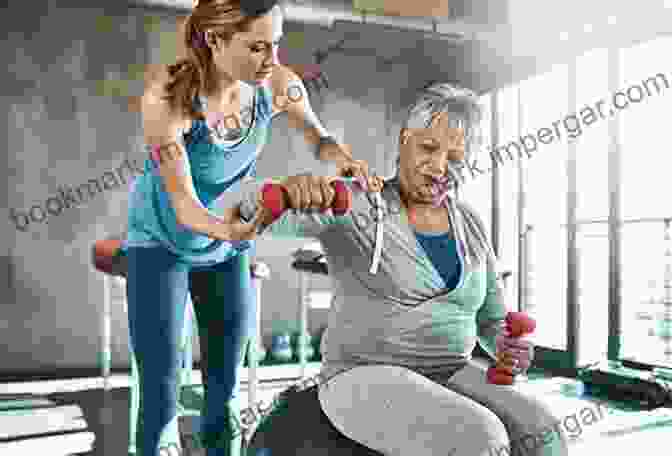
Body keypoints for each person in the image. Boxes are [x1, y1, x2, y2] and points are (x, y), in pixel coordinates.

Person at [220, 83, 569, 456]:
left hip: (450, 370)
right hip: (362, 373)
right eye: (429, 148)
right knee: (481, 440)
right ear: (405, 141)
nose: (439, 168)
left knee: (544, 431)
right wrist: (287, 191)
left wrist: (505, 346)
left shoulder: (470, 223)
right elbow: (236, 206)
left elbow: (491, 319)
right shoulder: (356, 204)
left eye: (455, 158)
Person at [124, 0, 382, 455]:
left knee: (224, 395)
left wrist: (344, 161)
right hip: (162, 243)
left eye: (277, 45)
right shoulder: (166, 98)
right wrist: (234, 232)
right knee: (161, 398)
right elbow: (184, 205)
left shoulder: (276, 85)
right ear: (214, 40)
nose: (273, 61)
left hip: (225, 246)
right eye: (258, 48)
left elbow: (319, 138)